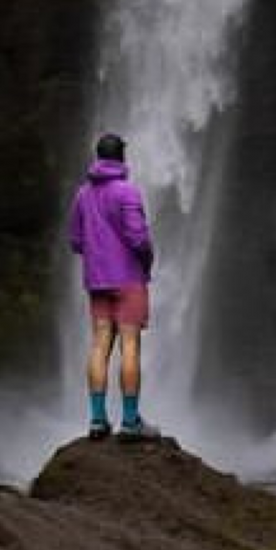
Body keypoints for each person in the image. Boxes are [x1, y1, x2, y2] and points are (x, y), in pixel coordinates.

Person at [68, 131, 160, 440]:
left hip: (97, 281)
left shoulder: (82, 194)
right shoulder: (127, 192)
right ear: (121, 157)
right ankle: (130, 421)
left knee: (99, 344)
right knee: (130, 345)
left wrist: (96, 257)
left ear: (98, 157)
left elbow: (76, 240)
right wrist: (147, 260)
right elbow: (139, 238)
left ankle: (97, 420)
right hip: (128, 279)